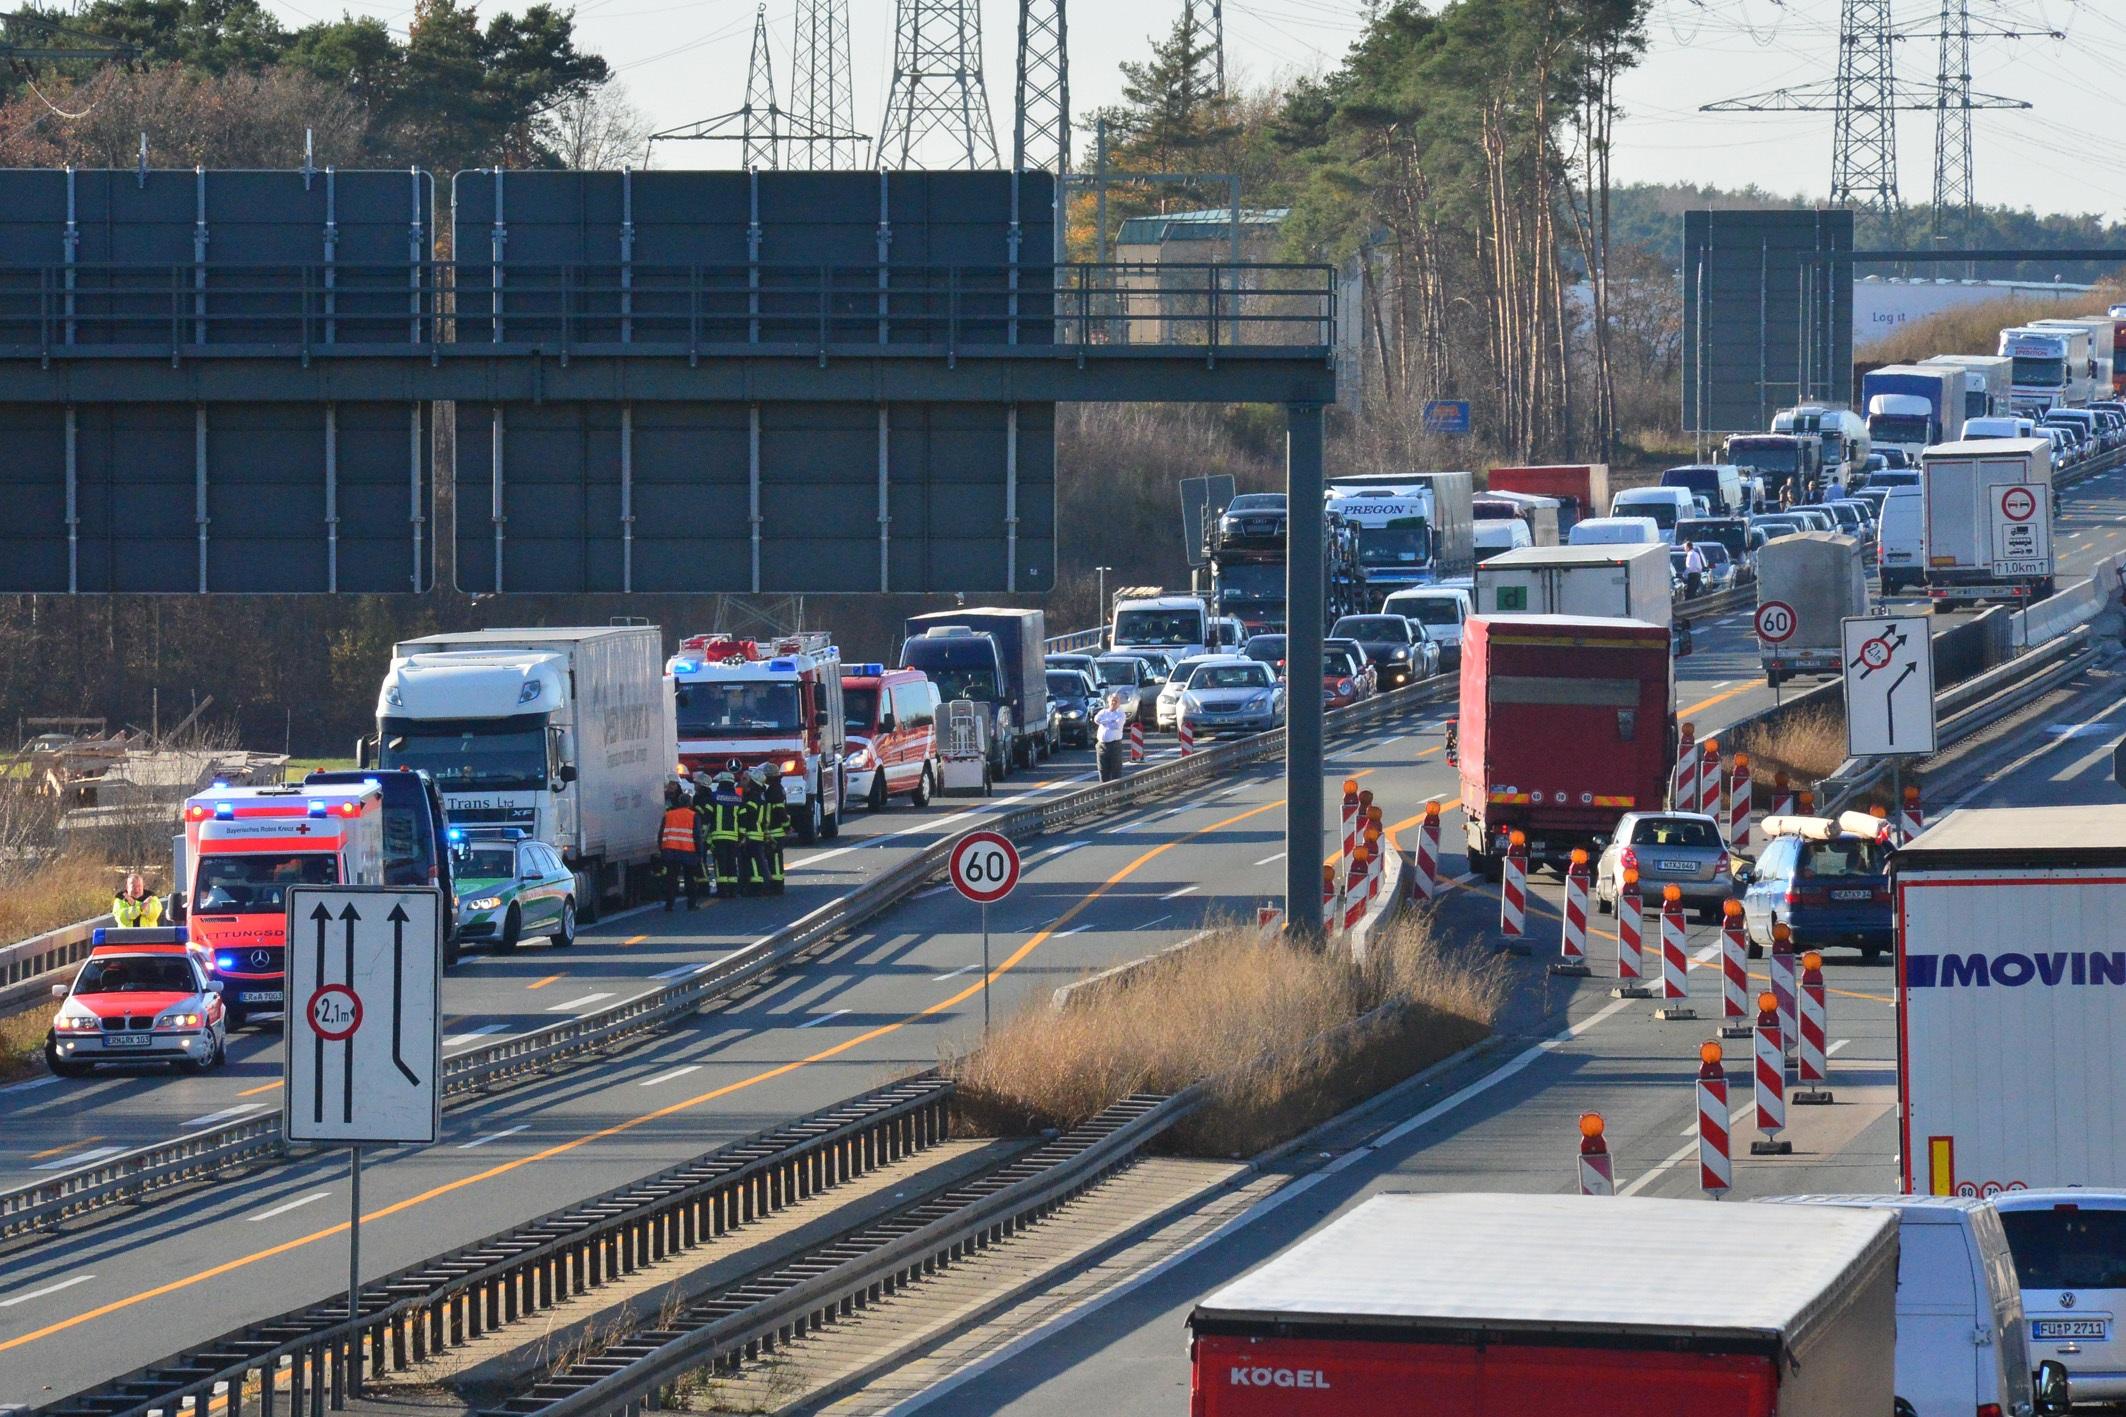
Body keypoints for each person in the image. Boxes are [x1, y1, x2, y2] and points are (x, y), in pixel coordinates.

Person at [657, 783, 702, 911]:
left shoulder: (669, 814)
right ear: (690, 803)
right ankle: (691, 904)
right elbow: (697, 836)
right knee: (690, 880)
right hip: (688, 851)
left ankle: (669, 905)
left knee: (671, 879)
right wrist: (700, 854)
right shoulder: (693, 815)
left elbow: (661, 834)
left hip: (670, 851)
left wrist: (662, 849)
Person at [707, 766, 743, 898]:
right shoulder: (738, 799)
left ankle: (722, 890)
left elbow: (708, 815)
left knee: (720, 864)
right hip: (733, 836)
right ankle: (733, 890)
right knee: (731, 863)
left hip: (718, 836)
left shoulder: (714, 797)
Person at [734, 772, 768, 896]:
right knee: (756, 861)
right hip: (757, 833)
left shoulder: (752, 797)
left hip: (751, 834)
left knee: (753, 861)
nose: (741, 781)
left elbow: (747, 816)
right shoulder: (759, 795)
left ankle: (756, 887)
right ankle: (756, 885)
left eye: (744, 779)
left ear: (751, 782)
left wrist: (742, 835)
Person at [758, 769, 789, 894]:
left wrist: (786, 826)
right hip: (776, 830)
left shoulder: (773, 791)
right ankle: (777, 884)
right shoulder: (777, 789)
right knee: (774, 858)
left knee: (775, 859)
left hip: (774, 831)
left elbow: (779, 811)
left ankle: (777, 886)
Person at [1093, 692, 1131, 782]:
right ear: (1108, 701)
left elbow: (1116, 725)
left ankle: (1116, 793)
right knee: (1102, 770)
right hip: (1101, 745)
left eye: (1116, 701)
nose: (1114, 703)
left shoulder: (1121, 714)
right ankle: (1104, 792)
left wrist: (1105, 722)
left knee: (1115, 770)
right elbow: (1096, 719)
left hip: (1114, 745)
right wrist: (1110, 721)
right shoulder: (1103, 712)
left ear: (1119, 703)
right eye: (1112, 700)